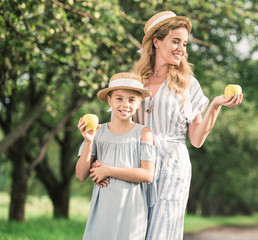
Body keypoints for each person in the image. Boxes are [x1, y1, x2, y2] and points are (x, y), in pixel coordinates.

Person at [132, 11, 243, 239]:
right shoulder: (134, 83)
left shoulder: (188, 85)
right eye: (175, 41)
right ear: (156, 42)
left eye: (184, 43)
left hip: (172, 165)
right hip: (137, 163)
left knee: (161, 233)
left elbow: (196, 139)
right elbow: (120, 125)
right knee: (134, 231)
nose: (181, 49)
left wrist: (214, 106)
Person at [76, 72, 155, 240]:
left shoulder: (143, 133)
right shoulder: (97, 132)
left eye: (131, 99)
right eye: (119, 98)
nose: (125, 104)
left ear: (139, 102)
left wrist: (108, 170)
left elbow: (148, 175)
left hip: (131, 214)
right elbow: (81, 175)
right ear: (109, 100)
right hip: (103, 213)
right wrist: (89, 142)